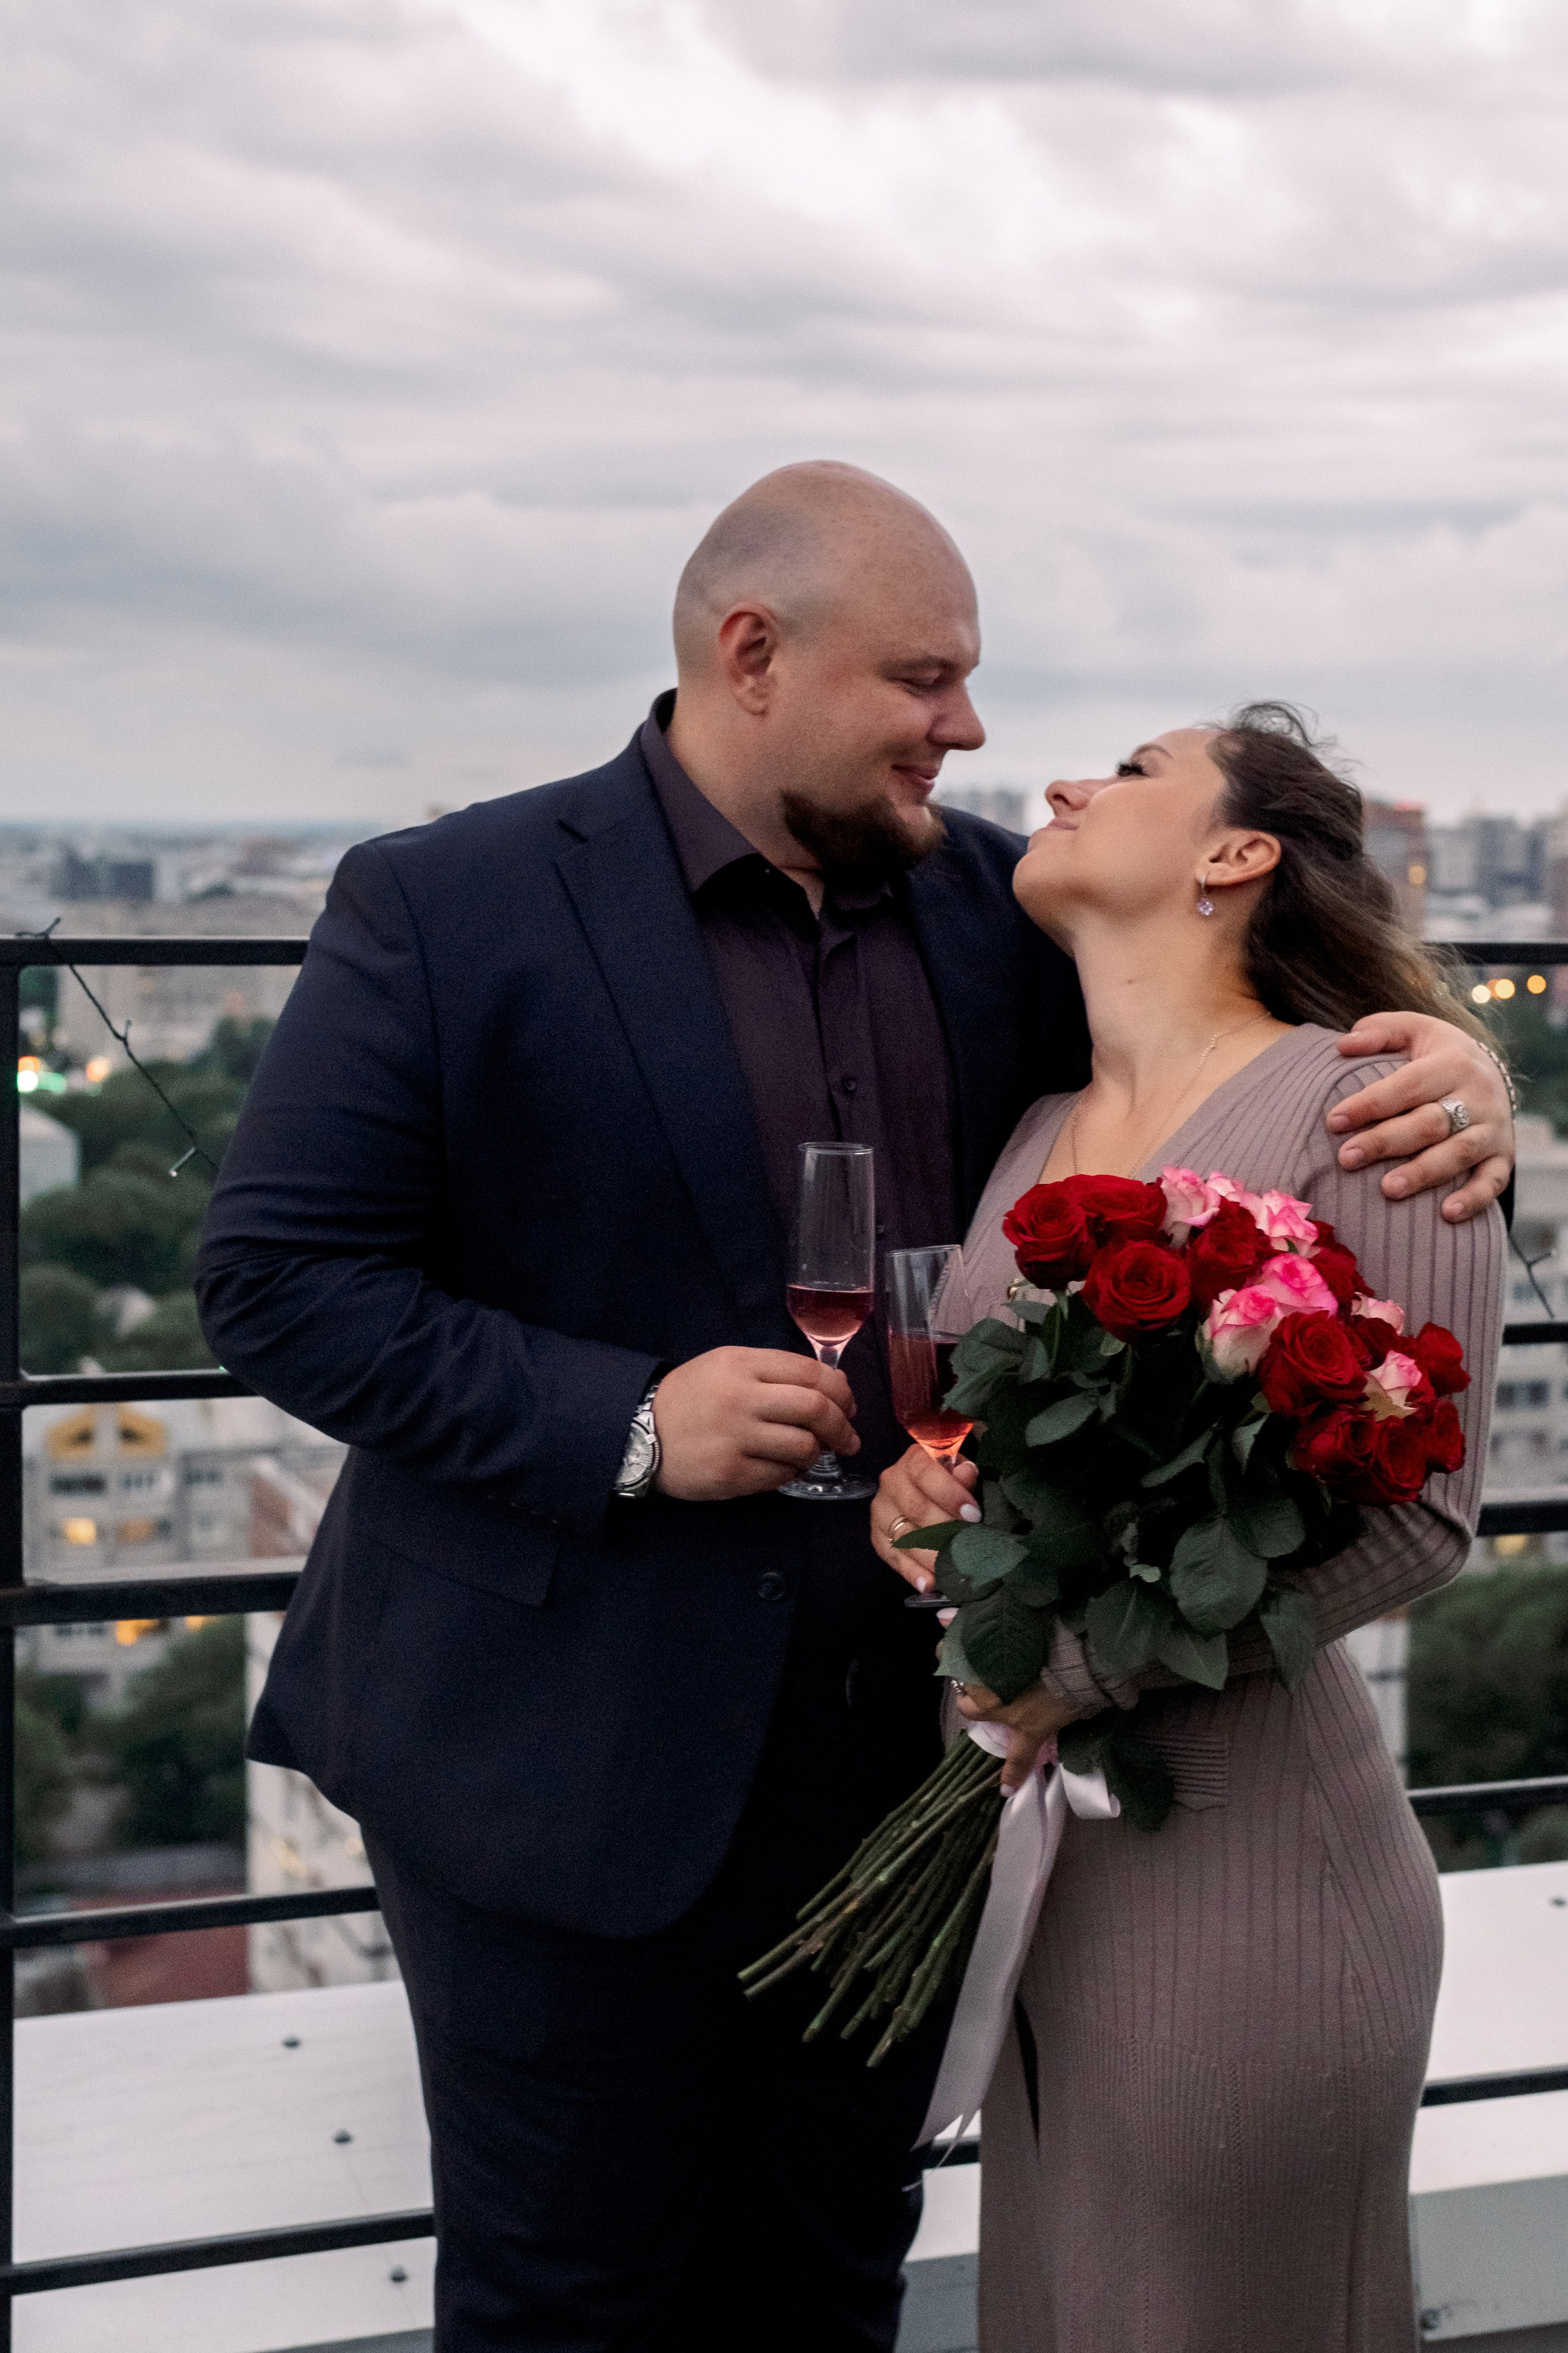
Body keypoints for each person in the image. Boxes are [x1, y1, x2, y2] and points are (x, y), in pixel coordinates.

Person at [195, 463, 1509, 2353]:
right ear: (753, 655)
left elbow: (1235, 1080)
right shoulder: (448, 899)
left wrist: (1453, 1061)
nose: (968, 730)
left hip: (904, 1772)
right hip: (556, 1775)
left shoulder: (997, 906)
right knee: (570, 2304)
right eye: (925, 680)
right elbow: (280, 1282)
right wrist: (631, 1419)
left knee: (825, 2290)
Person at [871, 705, 1506, 2353]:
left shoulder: (1363, 1099)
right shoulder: (1034, 1129)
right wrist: (924, 1500)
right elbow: (990, 1451)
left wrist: (1065, 1664)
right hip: (1046, 1868)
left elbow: (1416, 1519)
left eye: (1134, 770)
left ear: (1238, 856)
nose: (1068, 784)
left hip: (1252, 1879)